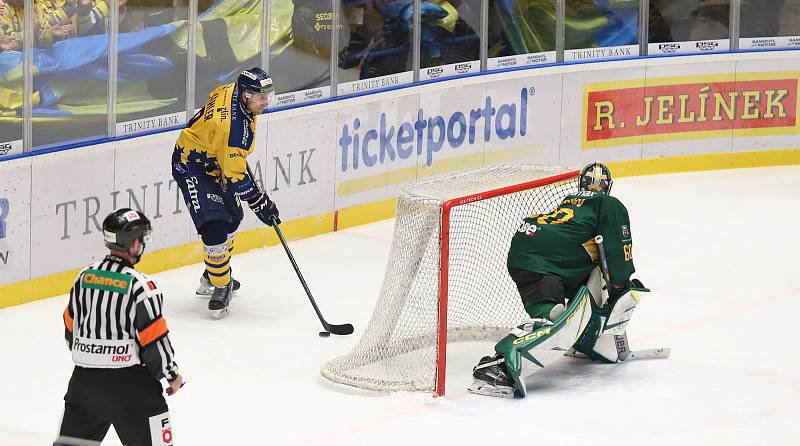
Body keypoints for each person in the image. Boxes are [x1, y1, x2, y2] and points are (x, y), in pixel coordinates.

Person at [469, 162, 637, 398]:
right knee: (558, 325)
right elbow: (618, 249)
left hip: (527, 253)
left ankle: (582, 339)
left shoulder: (572, 205)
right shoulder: (608, 203)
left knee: (551, 312)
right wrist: (620, 285)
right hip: (547, 258)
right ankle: (498, 365)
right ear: (607, 187)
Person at [55, 209, 184, 446]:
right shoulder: (142, 286)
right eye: (142, 239)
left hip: (84, 386)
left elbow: (69, 328)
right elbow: (154, 340)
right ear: (133, 244)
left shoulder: (84, 278)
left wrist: (95, 356)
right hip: (133, 389)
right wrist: (172, 375)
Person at [172, 67, 280, 318]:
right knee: (214, 226)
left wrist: (231, 154)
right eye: (261, 98)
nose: (266, 103)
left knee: (233, 216)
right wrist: (260, 201)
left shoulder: (228, 89)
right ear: (245, 95)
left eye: (268, 96)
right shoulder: (234, 130)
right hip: (192, 165)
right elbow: (235, 177)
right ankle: (222, 285)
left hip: (215, 158)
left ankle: (213, 272)